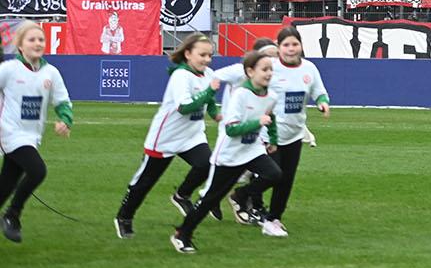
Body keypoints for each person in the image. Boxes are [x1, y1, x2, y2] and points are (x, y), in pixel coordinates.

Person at [213, 25, 329, 233]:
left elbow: (319, 91)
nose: (291, 49)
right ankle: (243, 196)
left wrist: (322, 102)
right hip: (268, 133)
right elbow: (247, 84)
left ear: (301, 46)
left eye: (295, 44)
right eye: (286, 45)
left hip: (294, 133)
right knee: (273, 175)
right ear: (279, 47)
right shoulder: (269, 66)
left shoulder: (310, 69)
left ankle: (272, 218)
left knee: (287, 181)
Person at [171, 45, 285, 253]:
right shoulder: (240, 95)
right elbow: (231, 130)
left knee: (275, 174)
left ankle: (240, 195)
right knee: (209, 199)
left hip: (252, 150)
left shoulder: (272, 96)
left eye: (271, 69)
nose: (269, 73)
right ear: (250, 72)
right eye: (264, 69)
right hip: (229, 155)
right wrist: (257, 122)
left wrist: (273, 140)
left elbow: (271, 117)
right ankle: (182, 234)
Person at [114, 32, 222, 240]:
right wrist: (209, 93)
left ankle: (182, 195)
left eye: (210, 55)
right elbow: (184, 107)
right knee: (145, 181)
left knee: (208, 165)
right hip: (166, 136)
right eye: (202, 55)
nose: (207, 60)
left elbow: (208, 102)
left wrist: (216, 115)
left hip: (192, 135)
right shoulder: (180, 76)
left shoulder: (208, 74)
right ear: (188, 54)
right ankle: (124, 217)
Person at [0, 22, 74, 243]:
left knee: (6, 184)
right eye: (31, 39)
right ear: (20, 46)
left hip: (31, 137)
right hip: (9, 133)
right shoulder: (10, 69)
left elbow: (62, 101)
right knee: (37, 170)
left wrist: (65, 120)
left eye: (41, 39)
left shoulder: (51, 72)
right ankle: (13, 215)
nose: (38, 43)